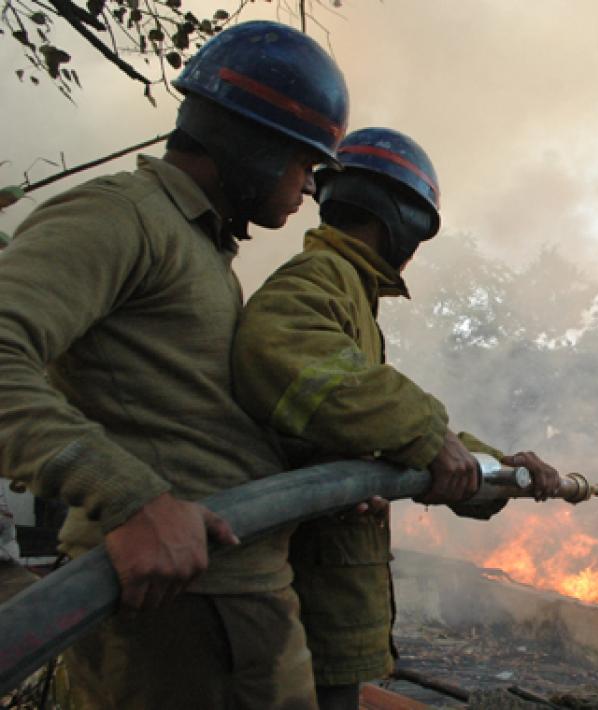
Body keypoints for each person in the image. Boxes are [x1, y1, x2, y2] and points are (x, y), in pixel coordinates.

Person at [0, 20, 349, 709]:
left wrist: (319, 470)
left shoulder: (198, 247)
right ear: (250, 147)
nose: (309, 189)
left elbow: (190, 412)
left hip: (228, 595)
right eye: (303, 164)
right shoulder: (122, 218)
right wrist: (129, 496)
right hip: (180, 607)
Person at [231, 127, 561, 710]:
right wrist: (428, 435)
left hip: (326, 603)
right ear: (399, 217)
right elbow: (291, 362)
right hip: (308, 599)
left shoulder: (350, 289)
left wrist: (498, 467)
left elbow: (369, 427)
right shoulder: (320, 279)